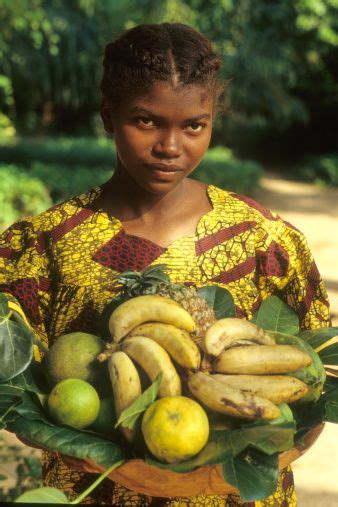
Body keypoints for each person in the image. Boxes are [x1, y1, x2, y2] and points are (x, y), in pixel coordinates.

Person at [0, 23, 330, 506]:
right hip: (94, 492)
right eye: (147, 121)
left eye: (194, 125)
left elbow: (313, 383)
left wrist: (258, 451)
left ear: (213, 120)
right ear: (108, 115)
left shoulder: (266, 242)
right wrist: (62, 441)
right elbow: (16, 388)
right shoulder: (44, 245)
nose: (170, 147)